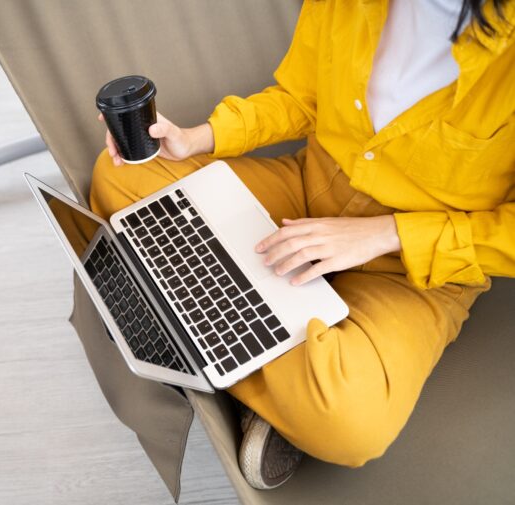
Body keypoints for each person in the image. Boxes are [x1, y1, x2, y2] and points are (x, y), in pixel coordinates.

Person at [90, 0, 514, 489]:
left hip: (418, 266)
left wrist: (386, 234)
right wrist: (198, 138)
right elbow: (302, 97)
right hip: (305, 191)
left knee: (351, 424)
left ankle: (198, 320)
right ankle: (257, 362)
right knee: (123, 181)